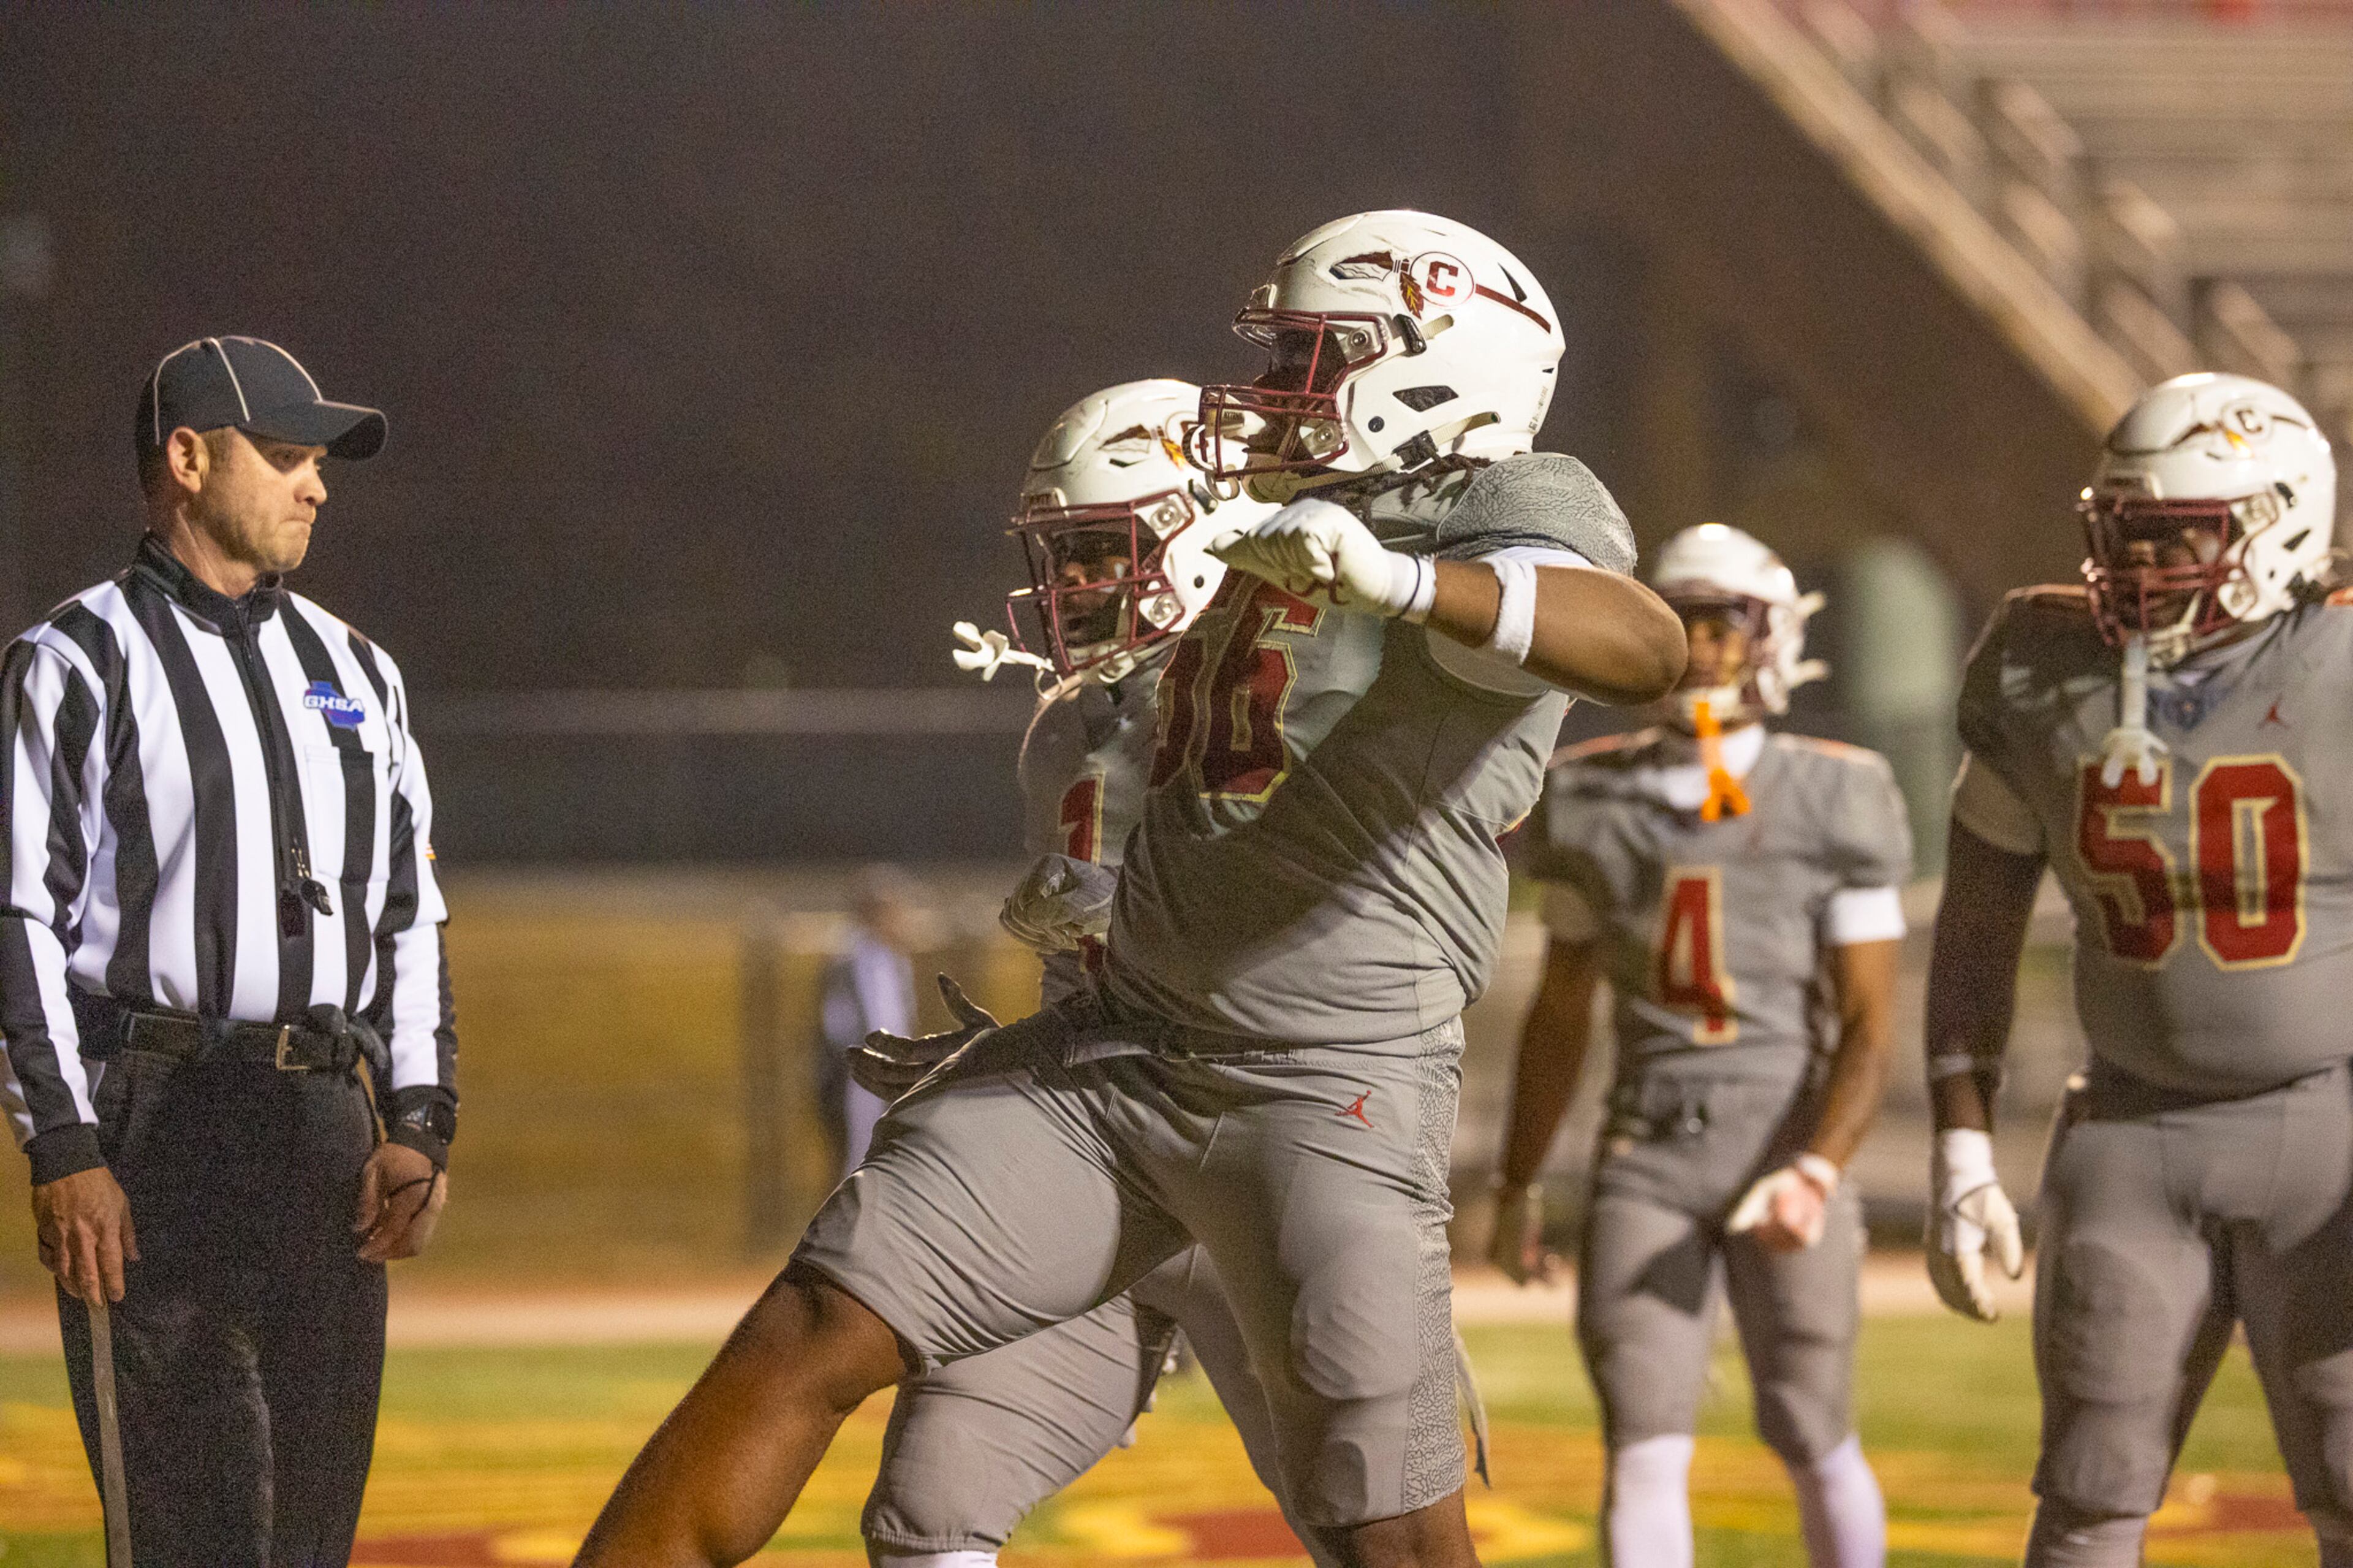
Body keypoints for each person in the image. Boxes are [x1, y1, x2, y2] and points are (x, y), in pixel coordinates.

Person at [574, 210, 1687, 1568]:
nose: (1268, 389)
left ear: (1434, 358)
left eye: (1305, 356)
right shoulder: (1284, 522)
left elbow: (1640, 645)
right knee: (811, 1332)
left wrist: (1399, 579)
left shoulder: (1494, 507)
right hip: (1114, 1057)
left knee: (1392, 1538)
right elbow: (1192, 792)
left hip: (1323, 1087)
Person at [847, 378, 1336, 1568]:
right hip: (1090, 1172)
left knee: (1381, 1531)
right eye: (1059, 557)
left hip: (1256, 1176)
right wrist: (1008, 1053)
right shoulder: (1066, 728)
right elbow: (1099, 982)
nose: (1065, 589)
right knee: (926, 1515)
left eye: (1096, 554)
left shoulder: (1305, 703)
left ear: (1201, 536)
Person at [0, 335, 457, 1566]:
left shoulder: (359, 669)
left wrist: (418, 1115)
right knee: (188, 1530)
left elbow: (409, 908)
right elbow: (18, 919)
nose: (320, 485)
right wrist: (64, 1144)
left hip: (322, 1124)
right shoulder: (75, 661)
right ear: (190, 460)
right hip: (158, 1123)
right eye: (292, 455)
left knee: (313, 1526)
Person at [1924, 371, 2353, 1566]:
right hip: (2130, 1128)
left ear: (2282, 525)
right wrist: (1962, 1134)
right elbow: (1978, 918)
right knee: (2089, 1492)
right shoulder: (2039, 661)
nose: (2139, 562)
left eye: (2178, 533)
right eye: (2121, 530)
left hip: (2329, 1123)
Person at [1490, 523, 1908, 1568]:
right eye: (1682, 628)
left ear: (1772, 637)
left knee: (1811, 1424)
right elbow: (1561, 1010)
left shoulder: (1835, 790)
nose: (1702, 651)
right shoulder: (1589, 795)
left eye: (1724, 625)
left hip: (1786, 1139)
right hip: (1649, 1151)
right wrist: (1518, 1183)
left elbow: (1868, 1026)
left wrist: (1818, 1166)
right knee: (1641, 1439)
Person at [814, 866, 922, 1177]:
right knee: (855, 1153)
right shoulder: (846, 957)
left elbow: (902, 1012)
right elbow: (836, 1019)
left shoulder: (896, 959)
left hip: (892, 1069)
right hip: (858, 1072)